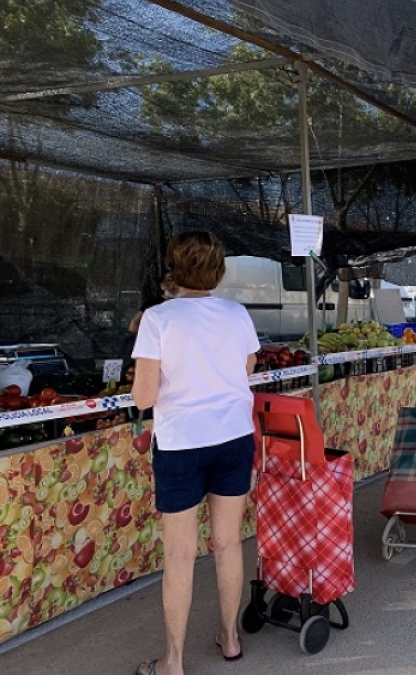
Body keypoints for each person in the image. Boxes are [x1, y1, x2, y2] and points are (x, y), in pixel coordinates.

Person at [131, 232, 260, 675]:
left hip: (182, 444)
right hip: (234, 437)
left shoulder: (157, 319)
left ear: (174, 269)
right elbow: (247, 367)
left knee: (180, 554)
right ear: (218, 271)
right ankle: (230, 638)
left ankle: (174, 661)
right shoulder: (237, 314)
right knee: (228, 542)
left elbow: (144, 397)